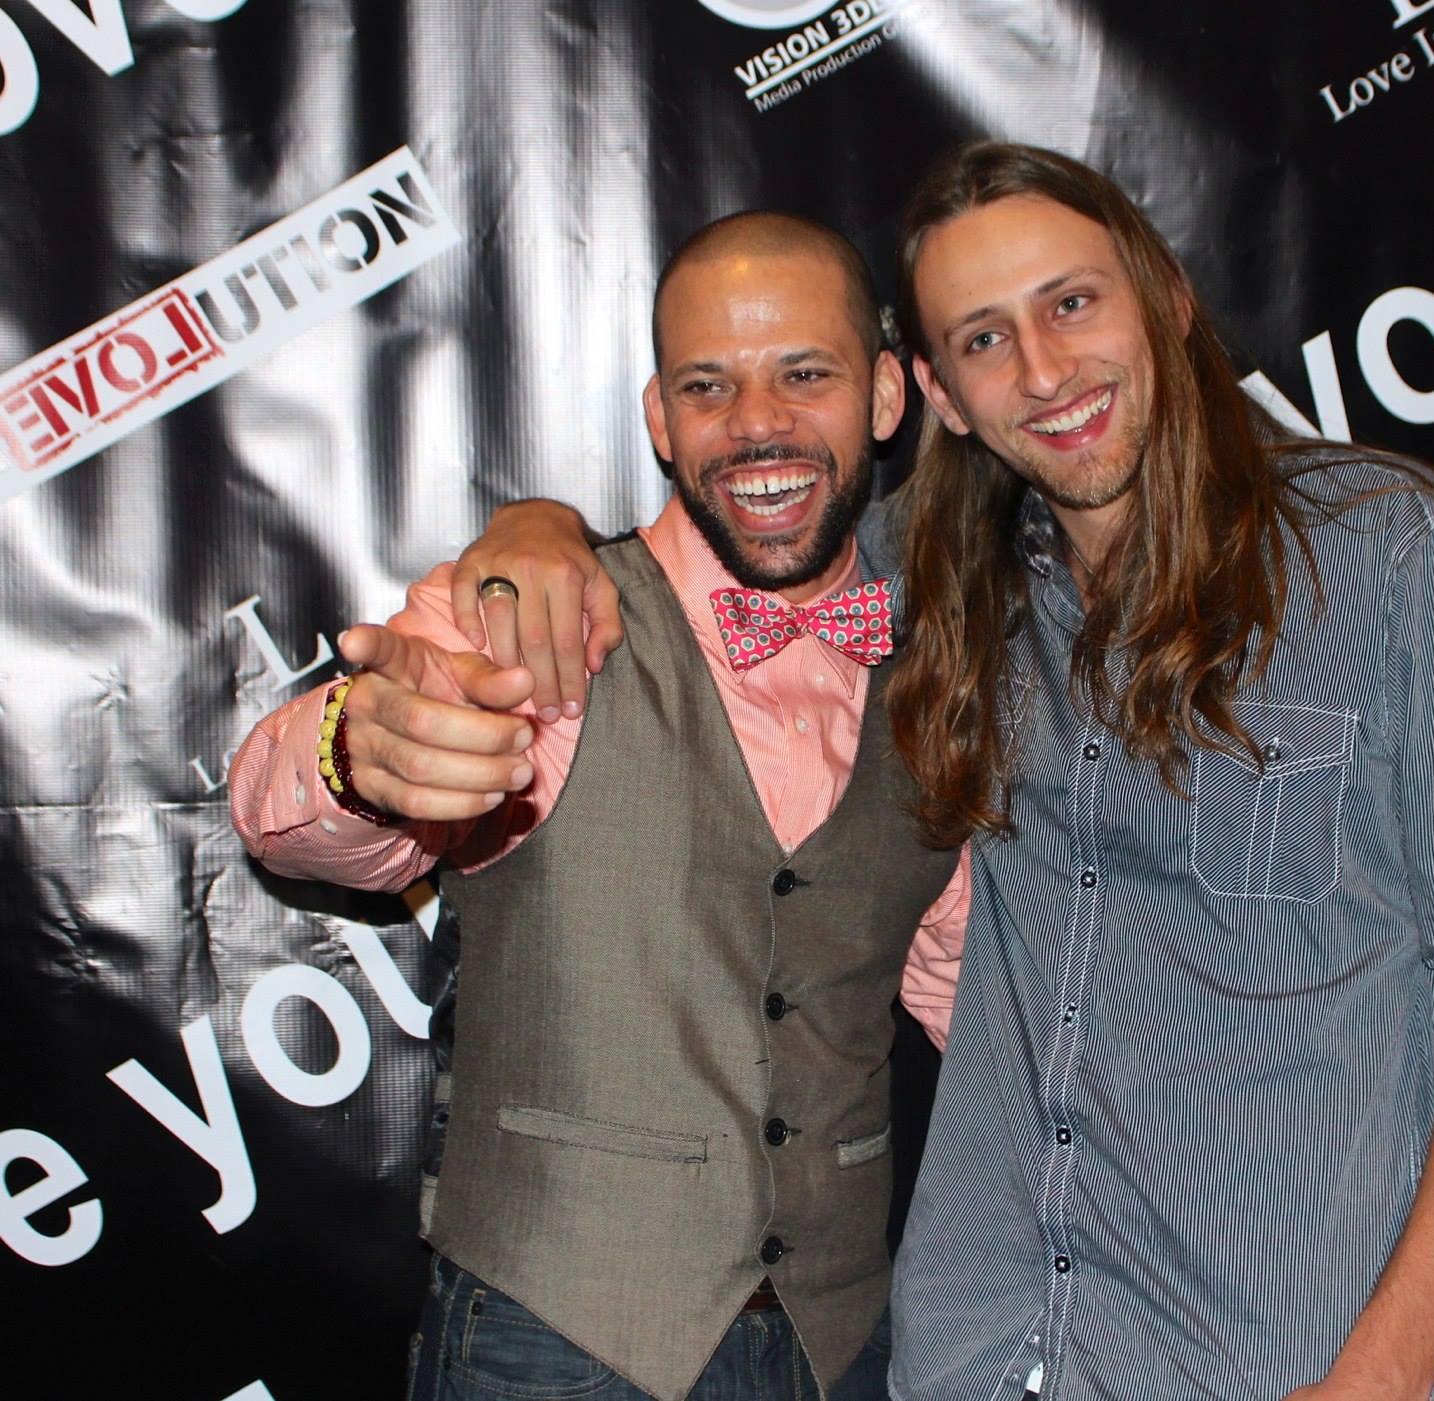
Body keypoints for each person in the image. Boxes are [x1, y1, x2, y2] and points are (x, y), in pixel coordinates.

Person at [461, 142, 1434, 1401]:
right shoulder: (938, 590)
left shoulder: (1392, 561)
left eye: (1070, 304)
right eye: (984, 340)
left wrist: (1381, 1376)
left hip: (1271, 1362)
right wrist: (539, 532)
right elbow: (733, 530)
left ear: (1163, 299)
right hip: (975, 1359)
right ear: (938, 396)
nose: (1045, 373)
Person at [227, 212, 969, 1401]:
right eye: (708, 385)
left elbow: (989, 994)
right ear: (660, 422)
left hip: (842, 1348)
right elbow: (278, 804)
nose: (759, 424)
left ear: (886, 397)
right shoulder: (533, 610)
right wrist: (357, 747)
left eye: (805, 374)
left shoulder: (943, 684)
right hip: (553, 1341)